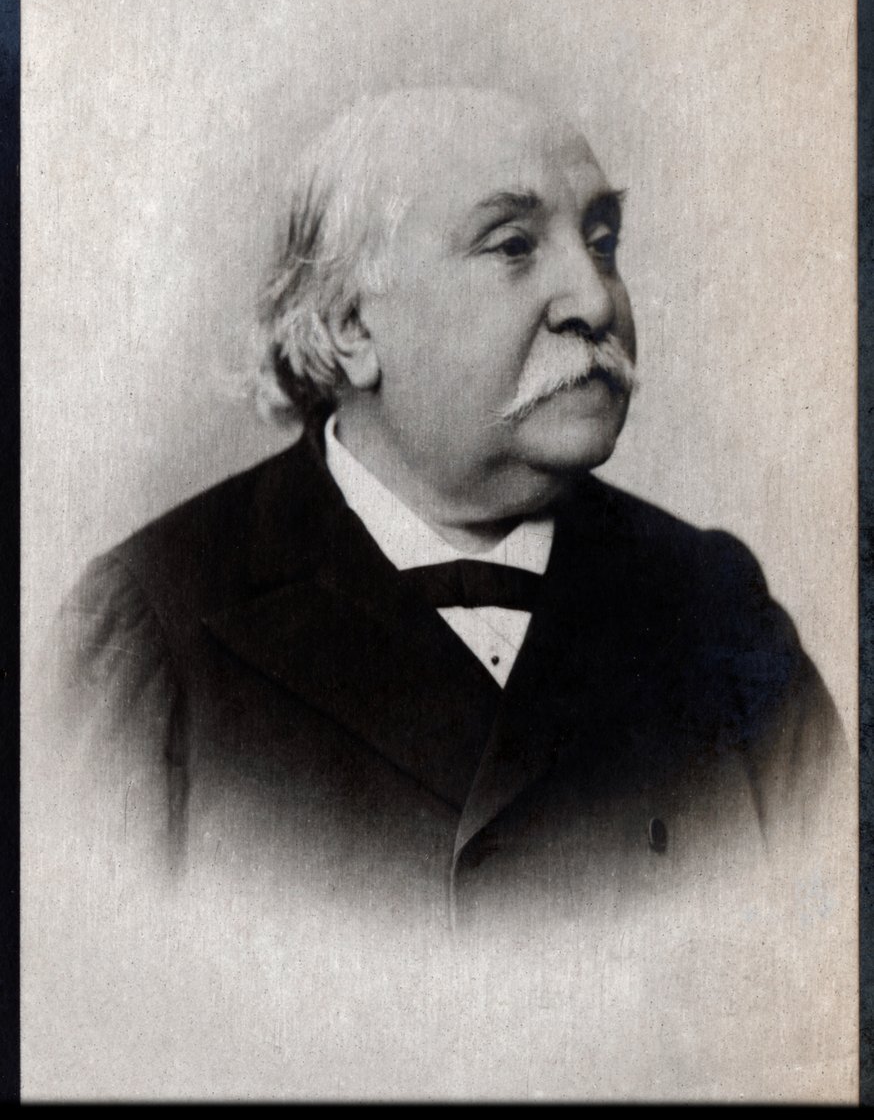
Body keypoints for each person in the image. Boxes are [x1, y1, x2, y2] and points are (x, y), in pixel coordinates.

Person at [53, 86, 848, 938]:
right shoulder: (152, 623)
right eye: (514, 246)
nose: (594, 301)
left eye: (602, 243)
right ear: (354, 327)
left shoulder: (720, 609)